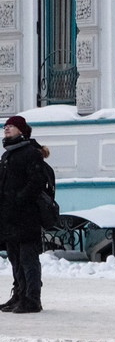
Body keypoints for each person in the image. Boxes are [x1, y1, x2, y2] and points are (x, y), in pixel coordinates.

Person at [0, 115, 49, 314]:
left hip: (26, 215)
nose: (6, 129)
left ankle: (32, 299)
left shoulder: (30, 153)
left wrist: (19, 199)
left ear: (22, 130)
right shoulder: (7, 155)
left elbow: (37, 182)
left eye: (11, 126)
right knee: (14, 257)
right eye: (5, 126)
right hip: (9, 215)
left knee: (28, 258)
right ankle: (19, 294)